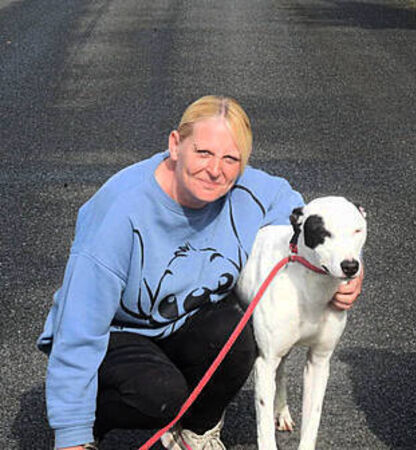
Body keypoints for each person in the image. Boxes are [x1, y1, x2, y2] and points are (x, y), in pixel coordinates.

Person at [37, 95, 363, 450]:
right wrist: (71, 433)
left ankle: (194, 432)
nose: (215, 169)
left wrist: (346, 272)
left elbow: (317, 225)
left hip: (181, 324)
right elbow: (78, 327)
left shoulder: (249, 191)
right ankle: (90, 420)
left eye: (230, 159)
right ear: (176, 145)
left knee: (240, 333)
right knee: (159, 395)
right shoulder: (120, 210)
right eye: (203, 153)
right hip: (115, 334)